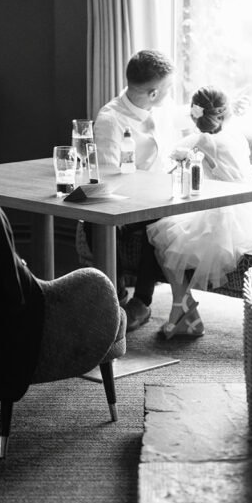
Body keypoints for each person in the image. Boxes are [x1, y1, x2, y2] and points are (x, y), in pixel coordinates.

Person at [146, 86, 252, 338]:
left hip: (224, 211)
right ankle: (186, 313)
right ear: (225, 115)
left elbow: (167, 165)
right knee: (168, 237)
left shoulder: (199, 141)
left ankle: (183, 310)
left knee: (165, 240)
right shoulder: (235, 135)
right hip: (251, 208)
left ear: (194, 115)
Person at [83, 49, 182, 331]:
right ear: (153, 93)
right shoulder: (110, 119)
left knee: (166, 216)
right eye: (168, 88)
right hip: (123, 200)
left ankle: (141, 302)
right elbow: (105, 175)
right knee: (98, 222)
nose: (171, 93)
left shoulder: (162, 109)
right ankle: (116, 298)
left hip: (160, 195)